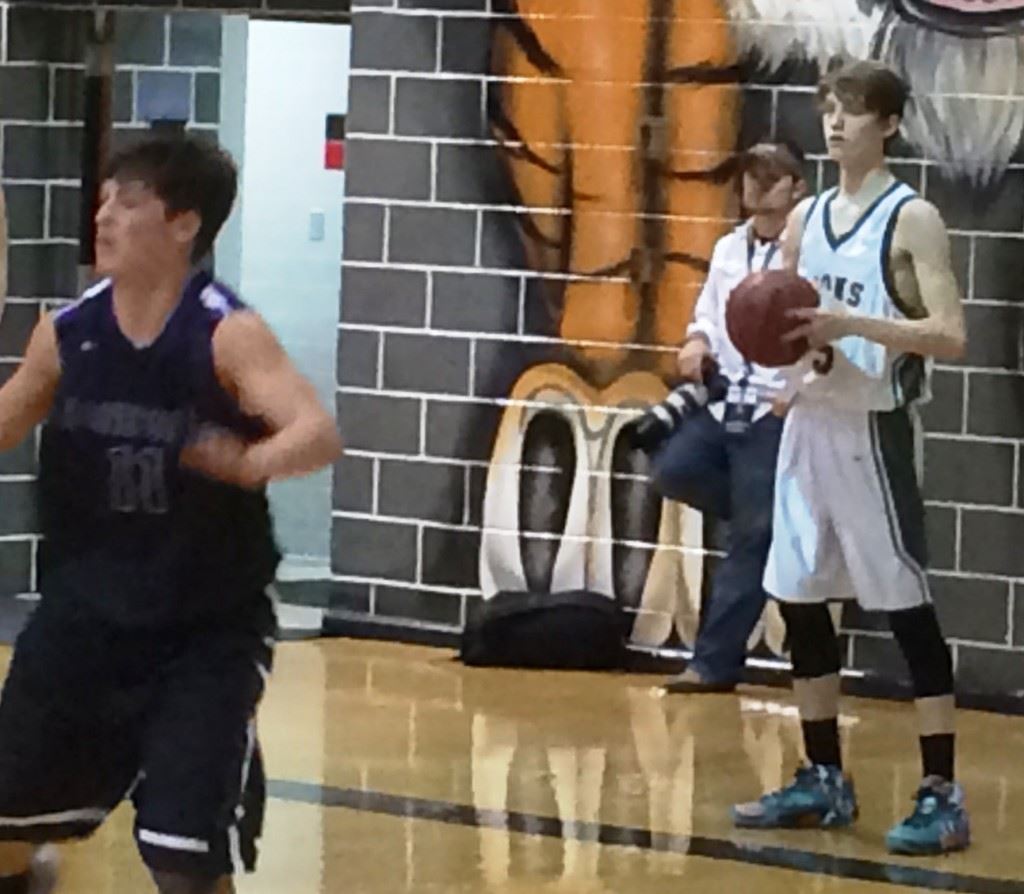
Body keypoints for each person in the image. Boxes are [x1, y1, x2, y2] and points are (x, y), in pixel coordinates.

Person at [0, 134, 342, 893]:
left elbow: (317, 433)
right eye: (104, 199)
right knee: (6, 830)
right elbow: (7, 418)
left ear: (184, 223)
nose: (106, 215)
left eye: (129, 201)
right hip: (83, 619)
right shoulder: (67, 332)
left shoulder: (225, 332)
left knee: (181, 858)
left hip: (203, 633)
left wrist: (251, 462)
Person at [730, 60, 970, 856]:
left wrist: (854, 327)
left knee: (906, 614)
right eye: (830, 110)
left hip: (874, 432)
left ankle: (942, 791)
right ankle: (823, 776)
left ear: (889, 124)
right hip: (811, 428)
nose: (837, 124)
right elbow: (797, 323)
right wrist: (788, 375)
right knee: (800, 602)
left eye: (855, 112)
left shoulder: (914, 219)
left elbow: (950, 336)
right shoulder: (806, 218)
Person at [653, 142, 807, 694]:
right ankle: (772, 521)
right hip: (724, 401)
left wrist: (798, 390)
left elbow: (824, 332)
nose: (756, 187)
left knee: (749, 540)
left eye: (770, 177)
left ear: (797, 187)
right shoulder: (726, 250)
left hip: (773, 409)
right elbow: (708, 316)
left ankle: (713, 663)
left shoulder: (809, 254)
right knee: (672, 470)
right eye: (749, 176)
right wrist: (695, 341)